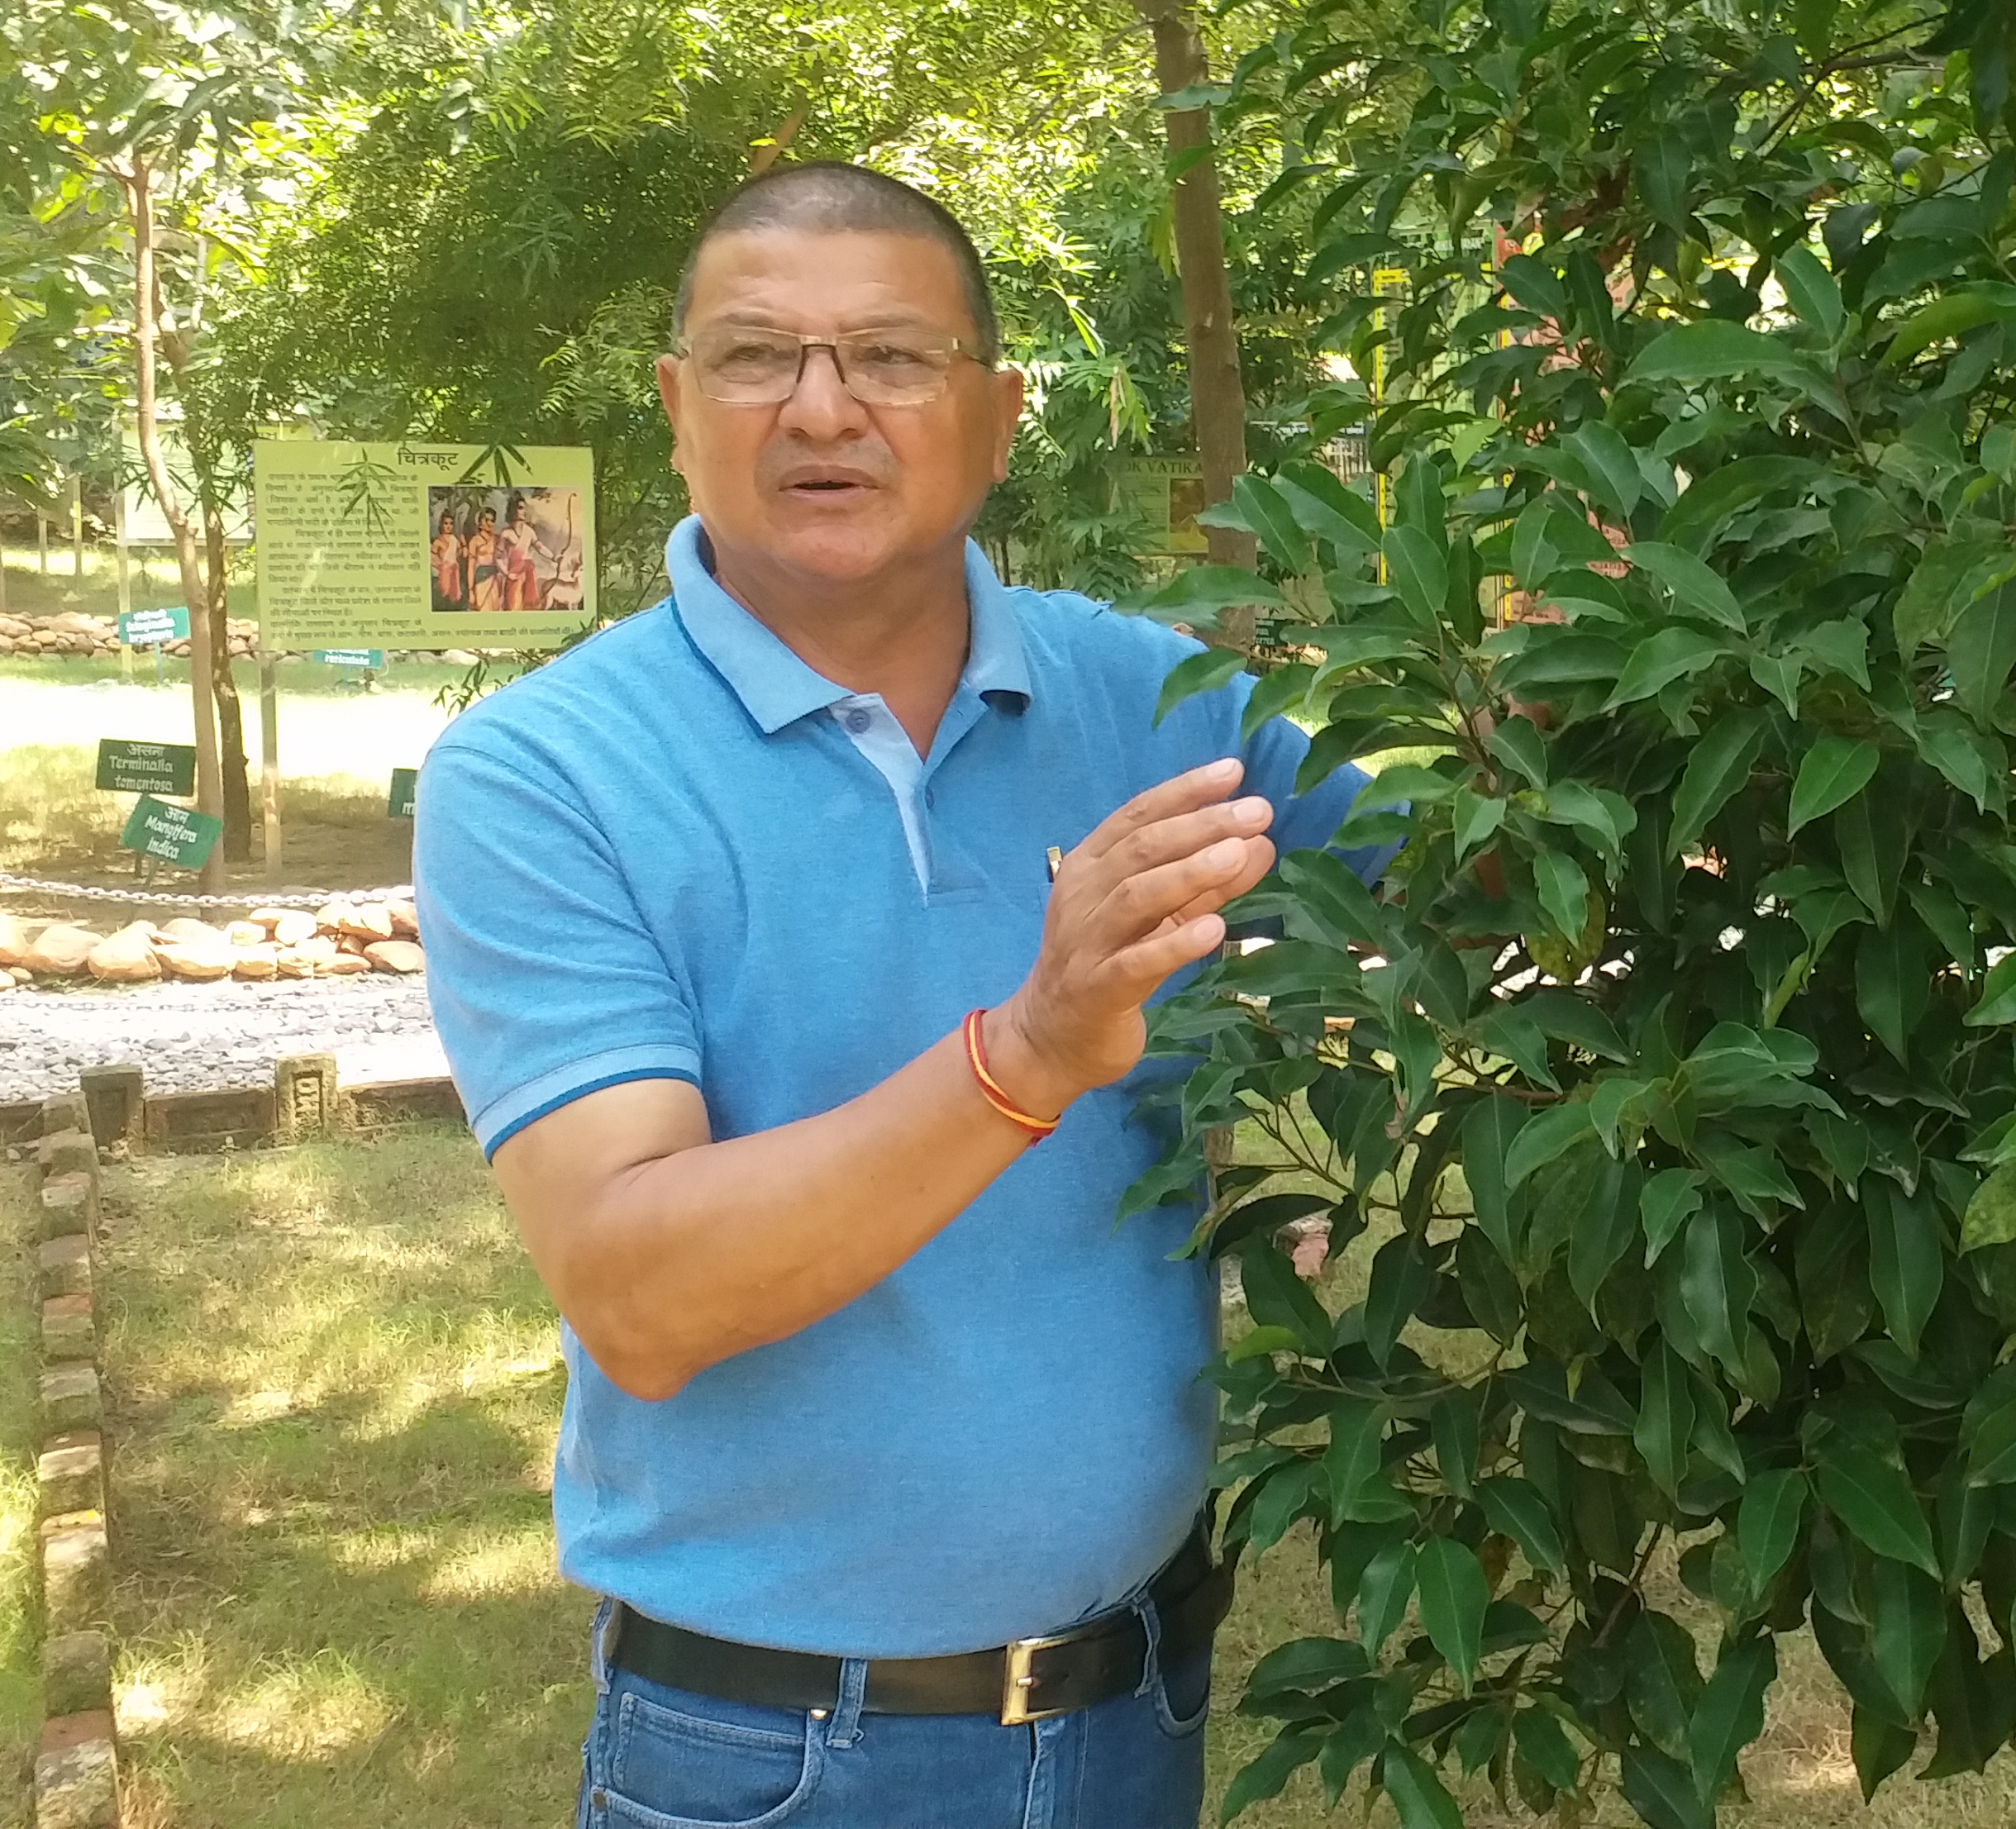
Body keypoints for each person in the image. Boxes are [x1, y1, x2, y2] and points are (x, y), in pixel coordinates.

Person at [413, 160, 1379, 1828]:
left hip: (1135, 1696)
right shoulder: (541, 773)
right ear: (675, 406)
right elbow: (639, 1291)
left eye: (890, 357)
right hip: (776, 1753)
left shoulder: (1149, 693)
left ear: (1000, 415)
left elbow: (1477, 864)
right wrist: (1028, 1053)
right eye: (753, 355)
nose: (819, 407)